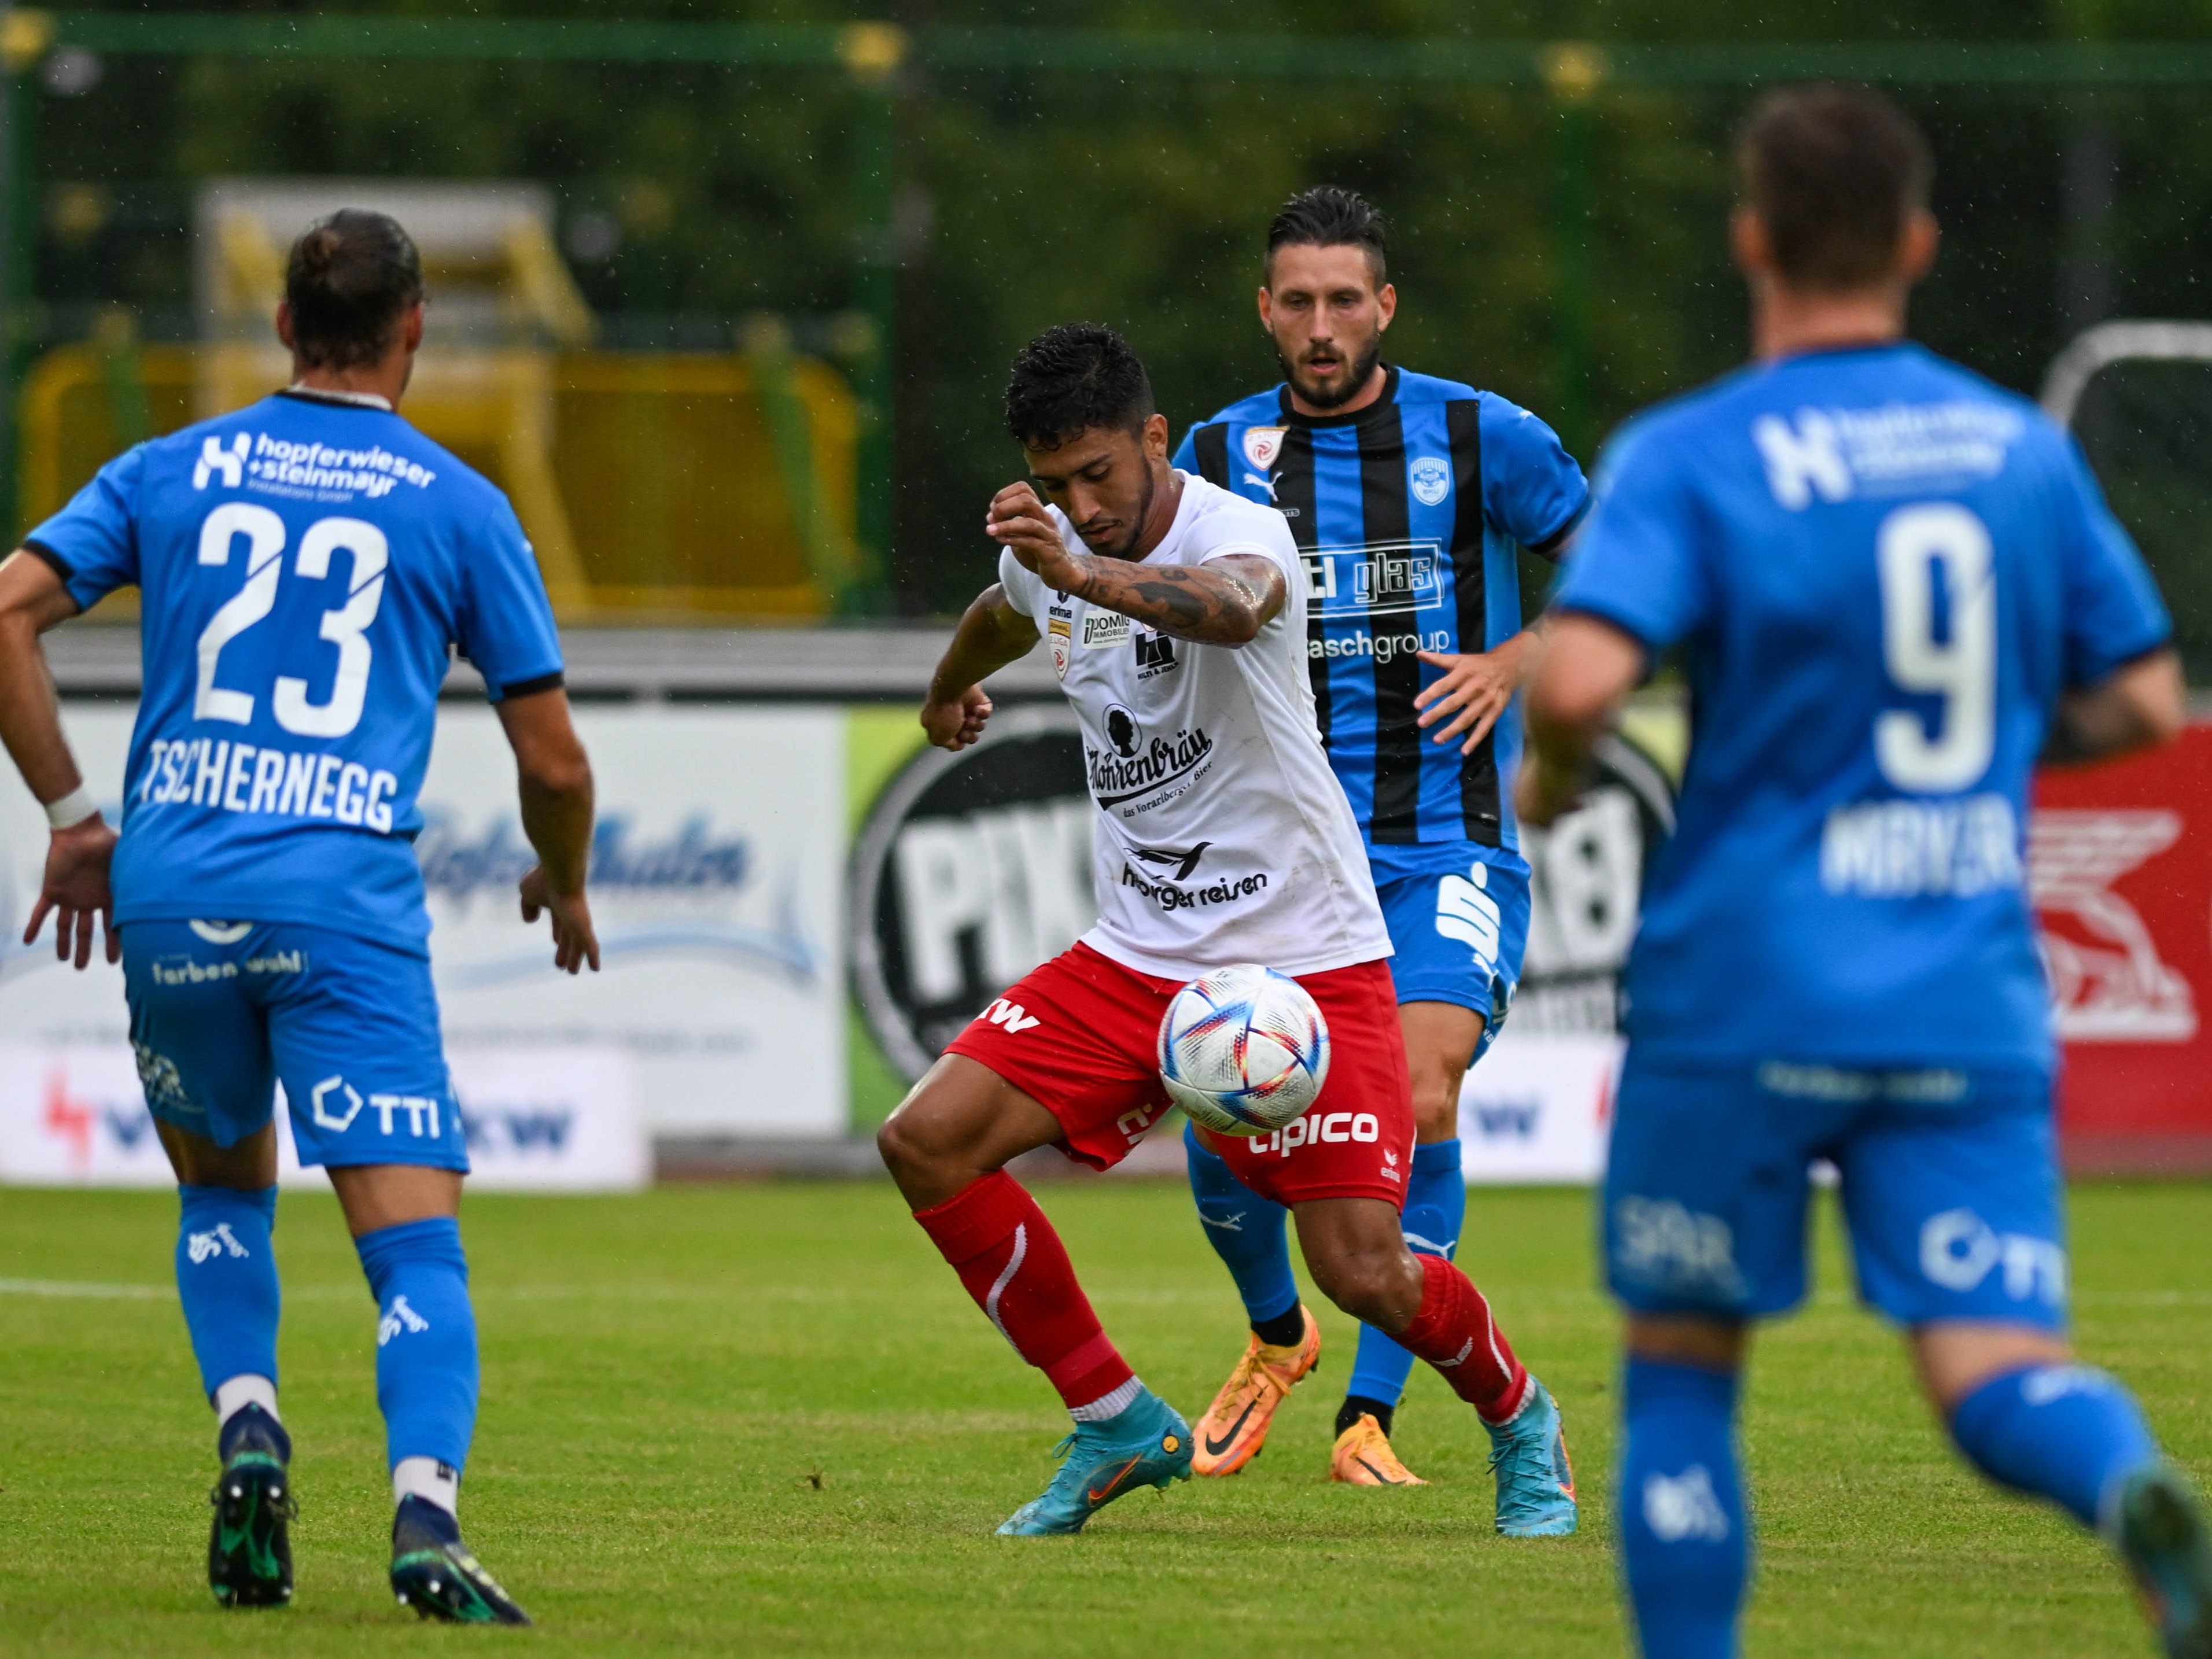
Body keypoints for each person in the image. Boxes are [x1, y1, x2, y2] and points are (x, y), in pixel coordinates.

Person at [1522, 85, 2210, 1659]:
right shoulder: (2015, 450)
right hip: (1961, 994)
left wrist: (1555, 783)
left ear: (1751, 239)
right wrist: (1969, 744)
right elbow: (2147, 700)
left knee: (1685, 1366)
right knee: (1992, 1367)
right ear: (1915, 242)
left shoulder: (1698, 451)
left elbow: (1572, 684)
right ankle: (2121, 1482)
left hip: (1742, 987)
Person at [0, 209, 600, 1624]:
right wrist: (563, 876)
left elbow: (6, 612)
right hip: (338, 900)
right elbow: (556, 760)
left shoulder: (168, 468)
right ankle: (423, 1518)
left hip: (171, 889)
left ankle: (253, 1426)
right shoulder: (454, 502)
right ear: (413, 332)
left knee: (223, 1192)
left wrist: (75, 817)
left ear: (280, 327)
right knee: (410, 1244)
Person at [882, 322, 1575, 1537]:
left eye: (1099, 473)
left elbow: (1228, 607)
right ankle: (1112, 1421)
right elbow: (1007, 611)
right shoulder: (1052, 559)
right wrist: (948, 687)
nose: (1081, 506)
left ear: (1155, 440)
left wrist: (1085, 577)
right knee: (924, 1141)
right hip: (1137, 955)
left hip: (1307, 951)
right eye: (1054, 486)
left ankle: (1520, 1420)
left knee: (1360, 1270)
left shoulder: (1238, 533)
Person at [1171, 185, 1587, 1503]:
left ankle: (1372, 1407)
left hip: (1440, 842)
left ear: (1384, 306)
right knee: (1213, 1088)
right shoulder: (1216, 453)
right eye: (1295, 301)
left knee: (1417, 1093)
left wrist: (1523, 653)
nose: (1319, 325)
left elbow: (1629, 564)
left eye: (1343, 299)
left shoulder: (1480, 434)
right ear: (1264, 311)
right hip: (1278, 855)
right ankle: (1274, 1333)